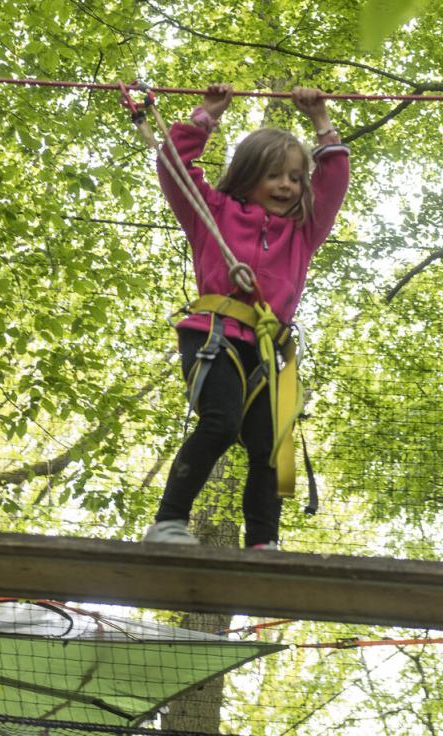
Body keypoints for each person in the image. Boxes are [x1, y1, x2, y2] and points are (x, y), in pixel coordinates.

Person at [142, 83, 350, 548]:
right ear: (248, 175)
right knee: (219, 421)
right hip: (213, 333)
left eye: (296, 178)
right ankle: (168, 522)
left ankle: (264, 543)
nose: (287, 186)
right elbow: (174, 168)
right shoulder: (211, 213)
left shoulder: (303, 231)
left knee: (271, 447)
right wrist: (205, 118)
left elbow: (333, 183)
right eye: (275, 175)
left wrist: (321, 121)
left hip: (265, 347)